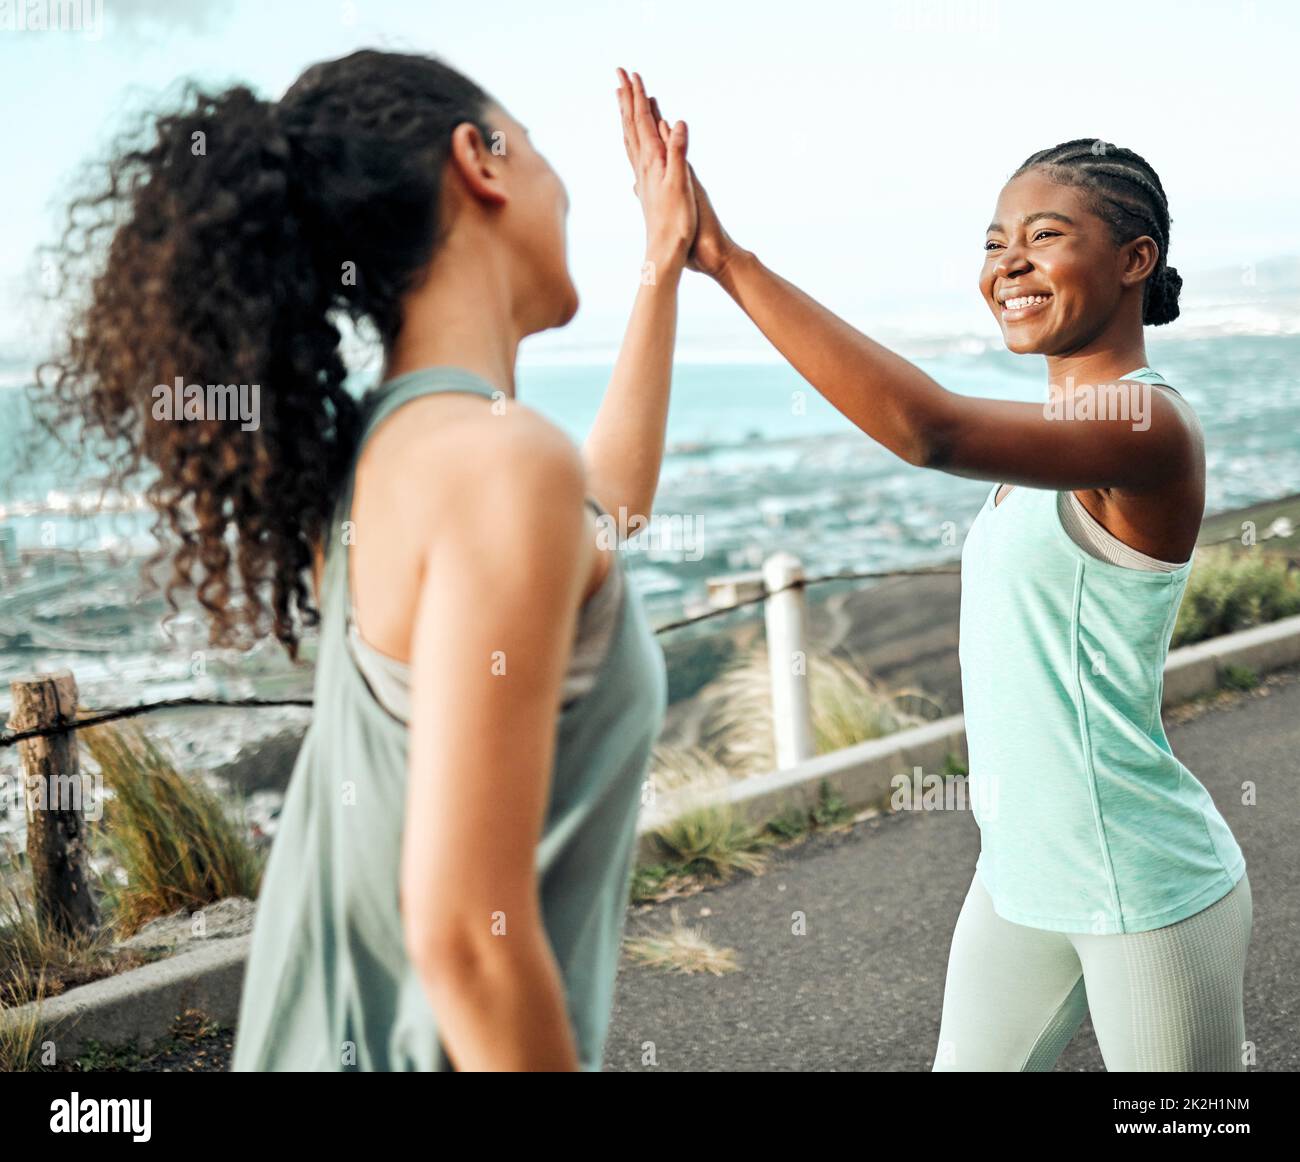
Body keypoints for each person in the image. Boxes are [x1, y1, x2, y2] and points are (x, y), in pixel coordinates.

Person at [39, 53, 694, 1071]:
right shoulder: (493, 460)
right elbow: (466, 944)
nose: (566, 194)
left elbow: (606, 516)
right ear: (479, 159)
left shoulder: (394, 457)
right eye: (545, 154)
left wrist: (663, 265)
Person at [647, 99, 1251, 1071]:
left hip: (1140, 883)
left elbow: (927, 430)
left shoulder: (1147, 428)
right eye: (993, 242)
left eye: (1043, 237)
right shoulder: (1051, 442)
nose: (1005, 264)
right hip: (1016, 879)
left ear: (1133, 260)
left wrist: (725, 259)